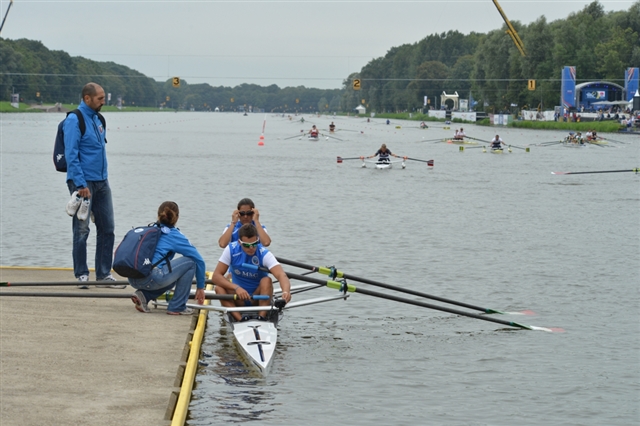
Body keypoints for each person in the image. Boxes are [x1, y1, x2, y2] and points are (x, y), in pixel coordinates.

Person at [64, 82, 123, 289]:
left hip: (102, 181)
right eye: (100, 98)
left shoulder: (99, 119)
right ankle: (81, 274)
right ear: (87, 98)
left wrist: (103, 178)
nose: (103, 101)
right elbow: (71, 154)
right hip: (83, 182)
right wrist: (80, 184)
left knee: (108, 228)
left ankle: (103, 274)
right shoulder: (74, 120)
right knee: (82, 229)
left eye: (104, 97)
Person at [129, 201, 206, 315]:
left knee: (171, 278)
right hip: (151, 278)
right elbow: (199, 260)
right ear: (177, 218)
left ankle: (144, 296)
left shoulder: (150, 229)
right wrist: (200, 287)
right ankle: (177, 306)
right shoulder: (174, 235)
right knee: (191, 262)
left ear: (158, 215)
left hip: (133, 277)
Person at [212, 224, 291, 321]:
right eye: (247, 245)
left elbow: (281, 275)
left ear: (258, 240)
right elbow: (216, 276)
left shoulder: (264, 254)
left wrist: (286, 291)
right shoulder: (231, 250)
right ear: (239, 242)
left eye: (254, 244)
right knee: (219, 288)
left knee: (267, 280)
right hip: (238, 297)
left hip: (257, 298)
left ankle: (261, 317)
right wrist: (236, 288)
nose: (251, 248)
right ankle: (239, 318)